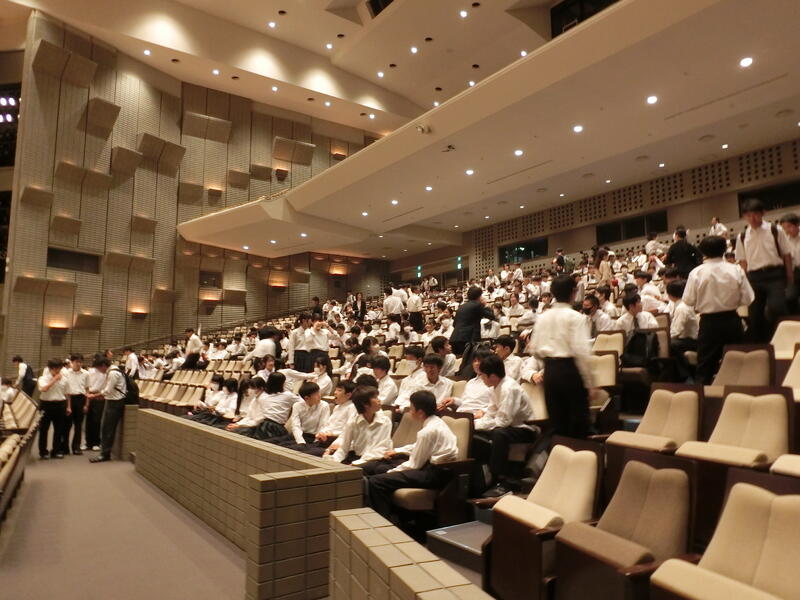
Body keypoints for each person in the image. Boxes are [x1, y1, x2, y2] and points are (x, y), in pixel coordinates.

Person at [367, 390, 458, 521]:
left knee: (376, 481)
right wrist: (398, 451)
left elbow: (414, 465)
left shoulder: (428, 431)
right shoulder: (437, 422)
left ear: (420, 412)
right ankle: (398, 515)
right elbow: (418, 446)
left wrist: (390, 472)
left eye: (411, 408)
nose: (409, 411)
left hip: (435, 474)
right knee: (380, 468)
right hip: (434, 468)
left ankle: (384, 522)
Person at [529, 274, 597, 439]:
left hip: (550, 371)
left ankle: (560, 453)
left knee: (557, 425)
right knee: (578, 425)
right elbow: (581, 352)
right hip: (570, 371)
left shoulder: (543, 317)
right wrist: (590, 382)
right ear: (573, 292)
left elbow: (534, 349)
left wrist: (549, 364)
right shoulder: (576, 317)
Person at [684, 235, 754, 384]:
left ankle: (701, 398)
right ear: (724, 250)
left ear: (703, 252)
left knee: (705, 367)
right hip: (732, 320)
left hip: (708, 323)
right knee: (738, 363)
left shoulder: (696, 273)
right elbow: (748, 298)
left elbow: (688, 300)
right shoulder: (736, 270)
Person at [474, 355, 536, 497]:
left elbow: (503, 421)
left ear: (492, 376)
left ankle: (501, 479)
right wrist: (476, 424)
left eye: (482, 375)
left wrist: (481, 424)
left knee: (499, 434)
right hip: (509, 427)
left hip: (525, 429)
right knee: (477, 433)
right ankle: (483, 476)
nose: (481, 378)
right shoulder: (494, 387)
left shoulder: (509, 388)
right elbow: (490, 413)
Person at [734, 198, 793, 342]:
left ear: (763, 213)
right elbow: (742, 261)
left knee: (777, 307)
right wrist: (744, 281)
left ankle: (782, 338)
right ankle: (763, 344)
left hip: (775, 274)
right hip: (754, 277)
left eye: (755, 214)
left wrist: (789, 276)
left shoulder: (775, 230)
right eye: (748, 215)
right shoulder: (742, 236)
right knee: (754, 314)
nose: (752, 218)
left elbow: (786, 254)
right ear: (744, 217)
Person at [324, 386, 393, 466]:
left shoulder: (385, 421)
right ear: (365, 404)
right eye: (375, 397)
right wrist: (332, 461)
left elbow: (381, 448)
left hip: (376, 459)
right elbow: (344, 448)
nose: (379, 400)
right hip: (357, 458)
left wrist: (356, 464)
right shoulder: (353, 422)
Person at [90, 357, 127, 463]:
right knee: (106, 428)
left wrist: (94, 396)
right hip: (112, 401)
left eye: (98, 368)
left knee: (108, 429)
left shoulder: (113, 373)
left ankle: (105, 454)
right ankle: (104, 452)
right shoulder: (112, 371)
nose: (98, 370)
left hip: (115, 403)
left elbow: (107, 390)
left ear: (103, 365)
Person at [439, 347, 494, 414]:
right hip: (461, 413)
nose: (477, 364)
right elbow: (464, 402)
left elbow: (497, 405)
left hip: (476, 415)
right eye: (475, 361)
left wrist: (483, 411)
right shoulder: (471, 382)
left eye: (480, 361)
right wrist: (454, 400)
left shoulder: (493, 382)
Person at [37, 359, 69, 460]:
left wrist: (68, 406)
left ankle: (56, 451)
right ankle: (43, 452)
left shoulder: (65, 379)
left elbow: (67, 393)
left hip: (60, 404)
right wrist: (54, 379)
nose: (57, 370)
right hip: (46, 404)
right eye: (55, 368)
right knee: (43, 429)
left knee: (59, 429)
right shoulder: (43, 378)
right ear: (50, 368)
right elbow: (43, 389)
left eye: (59, 368)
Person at [449, 286, 496, 355]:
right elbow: (491, 316)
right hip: (468, 339)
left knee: (460, 360)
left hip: (454, 338)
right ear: (479, 296)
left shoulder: (461, 307)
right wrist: (485, 305)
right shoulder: (478, 305)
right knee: (472, 360)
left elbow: (454, 324)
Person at [667, 280, 698, 380]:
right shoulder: (682, 305)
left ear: (669, 294)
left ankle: (684, 376)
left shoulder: (682, 308)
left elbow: (677, 331)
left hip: (691, 340)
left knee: (670, 344)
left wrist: (665, 339)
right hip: (686, 339)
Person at [63, 354, 88, 455]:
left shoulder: (86, 373)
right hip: (68, 399)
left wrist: (86, 404)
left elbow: (87, 389)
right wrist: (67, 405)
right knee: (66, 425)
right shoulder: (66, 373)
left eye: (80, 362)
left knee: (78, 425)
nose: (78, 364)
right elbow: (65, 389)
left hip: (80, 399)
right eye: (76, 362)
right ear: (71, 362)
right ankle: (65, 447)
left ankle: (76, 447)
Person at [779, 212, 800, 312]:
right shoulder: (784, 240)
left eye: (789, 226)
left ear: (797, 224)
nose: (787, 230)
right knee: (789, 297)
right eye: (784, 228)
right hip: (794, 272)